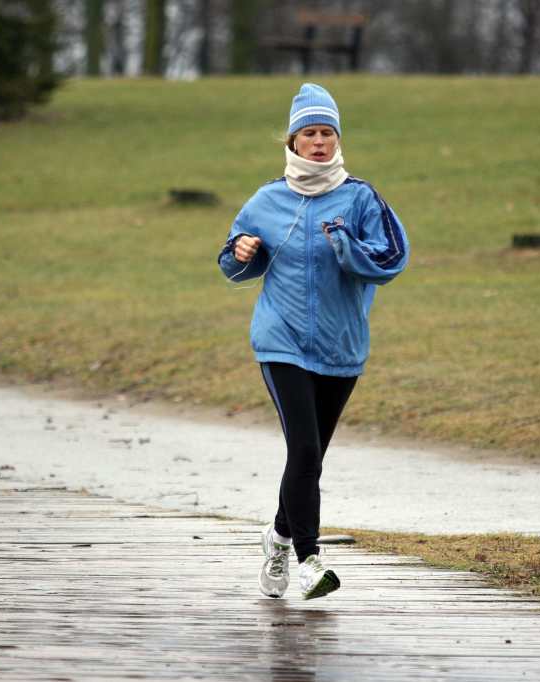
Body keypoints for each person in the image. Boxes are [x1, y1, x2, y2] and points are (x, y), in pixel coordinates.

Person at [217, 83, 409, 600]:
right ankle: (308, 560)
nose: (319, 142)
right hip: (280, 341)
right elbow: (230, 264)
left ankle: (277, 538)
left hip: (341, 346)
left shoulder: (361, 197)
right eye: (309, 134)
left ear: (337, 139)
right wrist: (242, 250)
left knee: (310, 459)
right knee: (303, 449)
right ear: (293, 142)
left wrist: (346, 243)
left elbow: (391, 259)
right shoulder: (267, 199)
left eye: (327, 133)